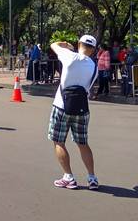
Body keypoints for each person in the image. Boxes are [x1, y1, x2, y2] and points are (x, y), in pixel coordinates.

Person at [48, 35, 99, 190]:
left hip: (61, 106)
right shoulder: (94, 67)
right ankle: (92, 177)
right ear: (93, 49)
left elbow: (53, 45)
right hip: (82, 109)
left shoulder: (68, 55)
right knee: (83, 143)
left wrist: (65, 45)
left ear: (79, 44)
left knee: (58, 141)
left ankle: (68, 177)